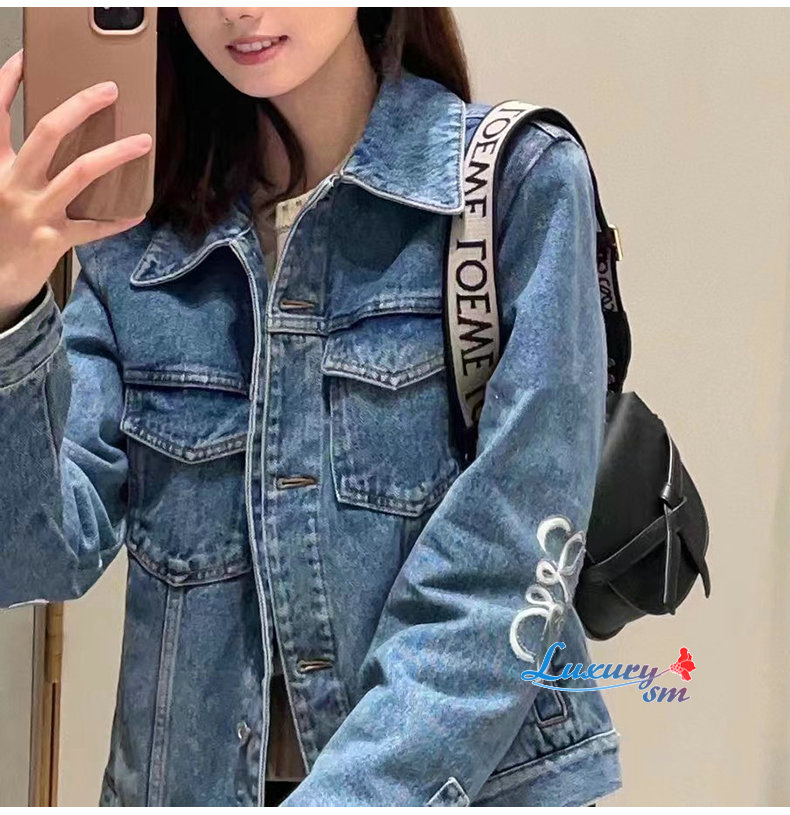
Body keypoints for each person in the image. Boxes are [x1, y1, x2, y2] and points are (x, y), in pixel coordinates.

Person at [0, 7, 622, 807]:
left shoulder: (517, 186)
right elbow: (32, 556)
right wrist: (11, 303)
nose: (238, 10)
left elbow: (504, 567)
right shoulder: (135, 244)